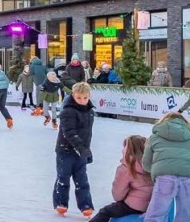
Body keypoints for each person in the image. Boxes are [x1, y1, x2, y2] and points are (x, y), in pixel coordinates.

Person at [143, 112, 190, 222]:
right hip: (187, 178)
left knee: (155, 215)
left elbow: (146, 163)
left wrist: (156, 169)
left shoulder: (154, 138)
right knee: (184, 216)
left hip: (164, 178)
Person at [54, 82, 96, 217]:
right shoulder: (68, 111)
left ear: (89, 96)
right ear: (73, 95)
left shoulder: (90, 112)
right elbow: (69, 132)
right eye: (79, 98)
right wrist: (82, 149)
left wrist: (86, 150)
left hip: (81, 151)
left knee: (82, 180)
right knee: (63, 177)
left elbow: (87, 134)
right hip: (65, 150)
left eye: (85, 98)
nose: (82, 101)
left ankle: (86, 205)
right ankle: (61, 203)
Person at [89, 135, 152, 222]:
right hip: (151, 207)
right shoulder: (152, 165)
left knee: (105, 212)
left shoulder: (127, 168)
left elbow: (118, 194)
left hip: (133, 206)